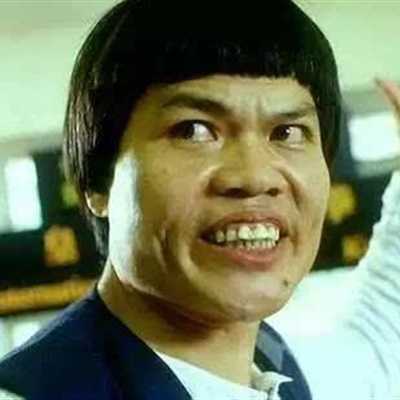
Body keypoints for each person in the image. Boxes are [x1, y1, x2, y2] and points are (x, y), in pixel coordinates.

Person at [0, 0, 398, 399]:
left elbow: (384, 327)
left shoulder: (288, 371)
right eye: (193, 130)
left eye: (287, 133)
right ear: (97, 183)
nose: (255, 176)